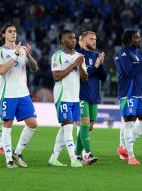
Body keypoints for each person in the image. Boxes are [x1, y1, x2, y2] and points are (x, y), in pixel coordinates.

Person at [0, 23, 39, 168]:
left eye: (14, 31)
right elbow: (1, 70)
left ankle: (17, 152)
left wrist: (28, 54)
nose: (13, 33)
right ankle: (8, 160)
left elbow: (34, 68)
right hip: (8, 95)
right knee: (7, 125)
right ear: (3, 35)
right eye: (10, 31)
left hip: (23, 94)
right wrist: (15, 54)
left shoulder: (23, 51)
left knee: (33, 124)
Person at [47, 30, 88, 168]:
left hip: (75, 97)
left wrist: (80, 66)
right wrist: (74, 65)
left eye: (74, 38)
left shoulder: (79, 56)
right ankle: (73, 159)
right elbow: (56, 76)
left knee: (64, 129)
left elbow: (85, 77)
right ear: (62, 40)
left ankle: (53, 158)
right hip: (62, 96)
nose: (73, 40)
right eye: (70, 38)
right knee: (68, 128)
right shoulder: (57, 56)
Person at [115, 29, 142, 165]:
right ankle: (130, 156)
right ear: (129, 40)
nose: (140, 39)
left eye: (139, 37)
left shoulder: (138, 53)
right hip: (128, 94)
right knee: (129, 124)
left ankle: (124, 147)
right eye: (137, 37)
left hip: (139, 93)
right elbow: (130, 72)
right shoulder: (123, 53)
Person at [75, 31, 107, 165]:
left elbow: (104, 77)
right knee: (85, 124)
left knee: (89, 127)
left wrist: (101, 64)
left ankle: (76, 154)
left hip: (94, 96)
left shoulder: (96, 56)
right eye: (91, 39)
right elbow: (85, 75)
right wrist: (96, 65)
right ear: (81, 41)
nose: (94, 41)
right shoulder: (77, 56)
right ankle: (87, 153)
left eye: (95, 39)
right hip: (81, 95)